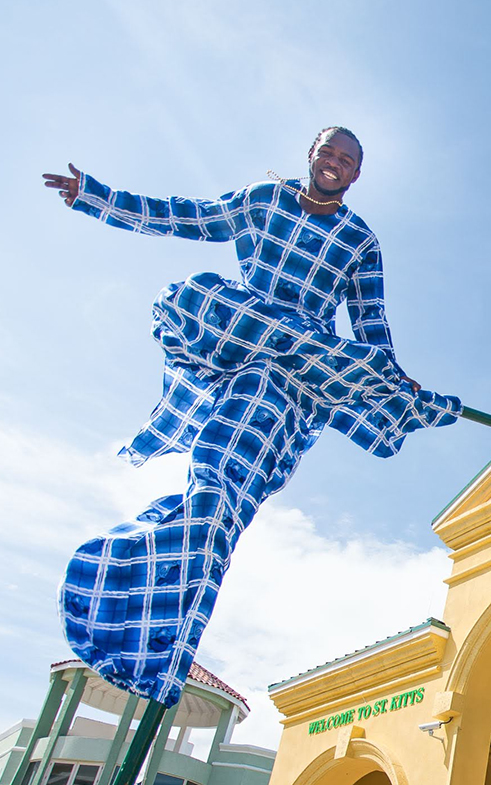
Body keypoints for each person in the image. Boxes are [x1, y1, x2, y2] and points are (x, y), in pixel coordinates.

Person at [43, 129, 461, 708]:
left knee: (223, 498)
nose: (334, 165)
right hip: (240, 341)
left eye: (347, 161)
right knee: (200, 320)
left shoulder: (359, 239)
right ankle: (156, 586)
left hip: (291, 381)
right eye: (328, 154)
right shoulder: (262, 200)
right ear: (311, 156)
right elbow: (184, 217)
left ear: (357, 175)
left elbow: (371, 323)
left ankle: (156, 603)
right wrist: (96, 196)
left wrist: (400, 382)